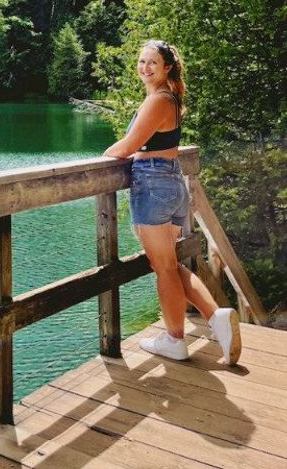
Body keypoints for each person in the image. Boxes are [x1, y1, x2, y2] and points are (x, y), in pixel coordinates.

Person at [103, 40, 239, 365]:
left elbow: (128, 147)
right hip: (171, 182)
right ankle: (216, 316)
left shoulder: (159, 99)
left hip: (153, 184)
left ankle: (175, 339)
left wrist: (102, 157)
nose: (145, 67)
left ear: (166, 67)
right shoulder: (169, 98)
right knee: (170, 265)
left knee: (163, 267)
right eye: (142, 61)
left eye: (152, 62)